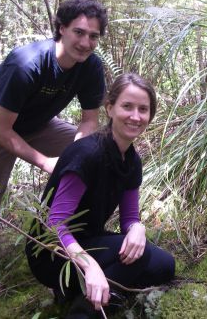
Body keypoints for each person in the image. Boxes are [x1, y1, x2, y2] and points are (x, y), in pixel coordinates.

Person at [0, 0, 108, 264]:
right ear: (61, 28)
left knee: (97, 153)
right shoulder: (27, 63)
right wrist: (47, 163)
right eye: (79, 32)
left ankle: (79, 235)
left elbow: (89, 121)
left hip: (36, 124)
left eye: (93, 36)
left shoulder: (91, 66)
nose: (86, 43)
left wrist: (77, 152)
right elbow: (0, 129)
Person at [25, 73, 175, 317]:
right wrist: (90, 266)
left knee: (164, 265)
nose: (135, 116)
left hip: (89, 240)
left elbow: (129, 218)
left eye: (143, 109)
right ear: (110, 109)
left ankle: (78, 291)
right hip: (51, 252)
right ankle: (83, 312)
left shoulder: (132, 161)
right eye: (127, 106)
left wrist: (138, 228)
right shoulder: (87, 154)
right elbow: (54, 225)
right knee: (139, 257)